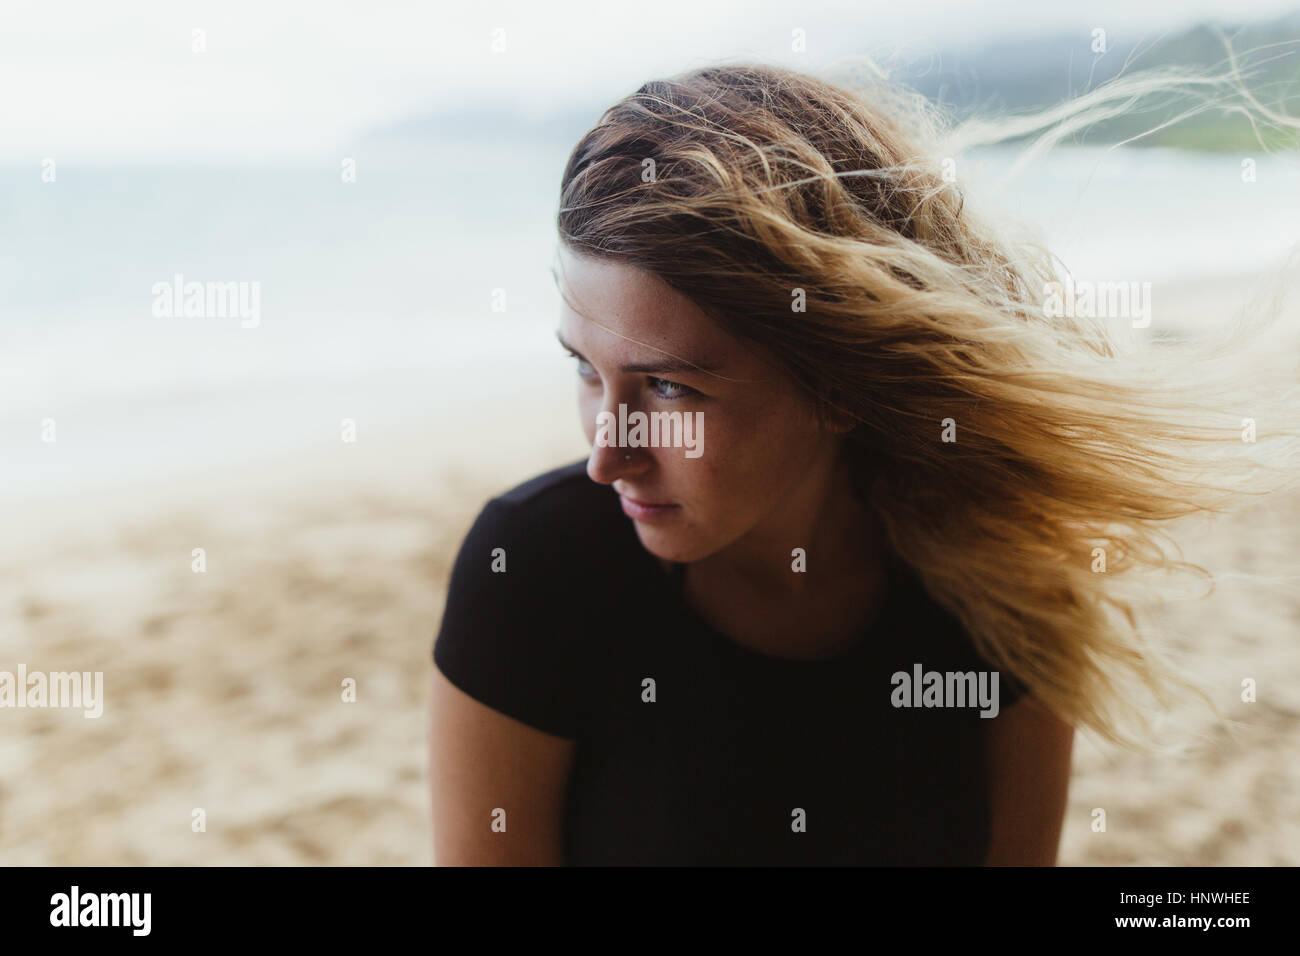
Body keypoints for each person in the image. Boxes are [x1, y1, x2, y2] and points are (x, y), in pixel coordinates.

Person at [429, 61, 1299, 865]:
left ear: (838, 383)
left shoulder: (1006, 587)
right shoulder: (535, 574)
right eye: (586, 368)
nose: (606, 457)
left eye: (667, 389)